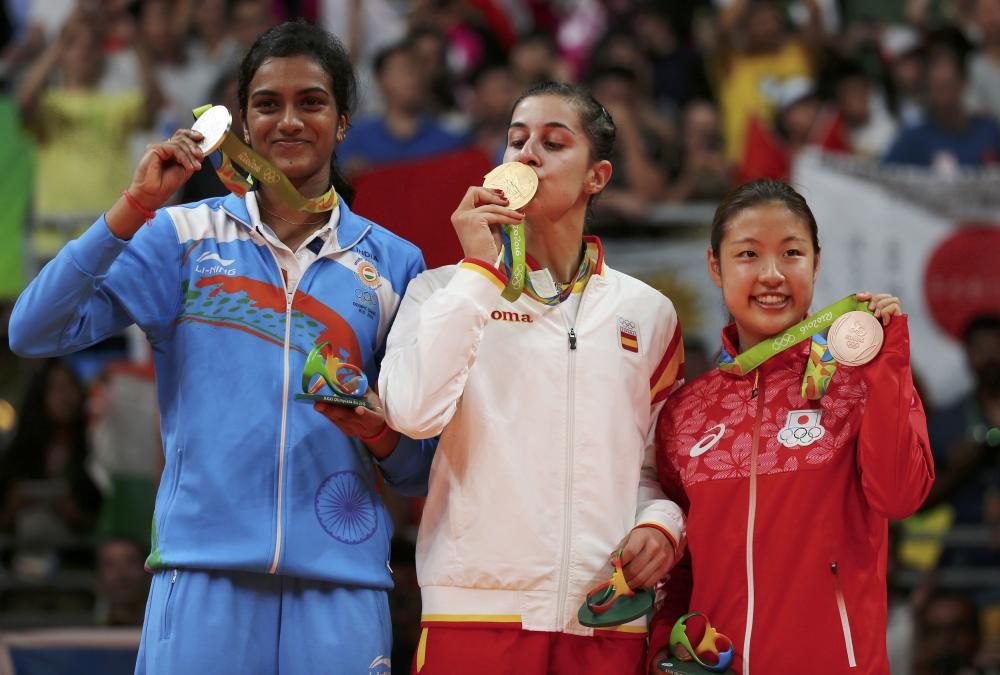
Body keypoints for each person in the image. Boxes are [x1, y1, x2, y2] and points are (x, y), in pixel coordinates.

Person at [8, 21, 435, 675]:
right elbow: (33, 331)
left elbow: (416, 467)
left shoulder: (397, 264)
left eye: (311, 102)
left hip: (342, 585)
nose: (288, 121)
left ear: (344, 121)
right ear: (241, 121)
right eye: (267, 103)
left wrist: (378, 431)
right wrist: (132, 206)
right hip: (201, 575)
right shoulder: (180, 237)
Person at [379, 81, 686, 674]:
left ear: (596, 177)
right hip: (476, 614)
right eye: (516, 141)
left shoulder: (647, 314)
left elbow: (654, 468)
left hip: (606, 615)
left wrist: (659, 525)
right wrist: (476, 270)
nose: (526, 156)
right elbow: (411, 412)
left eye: (553, 142)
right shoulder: (442, 290)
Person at [650, 179, 935, 674]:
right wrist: (662, 649)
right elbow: (679, 566)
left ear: (816, 264)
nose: (772, 275)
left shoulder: (860, 382)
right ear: (715, 266)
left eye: (791, 253)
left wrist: (886, 368)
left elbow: (901, 497)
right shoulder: (685, 413)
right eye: (748, 255)